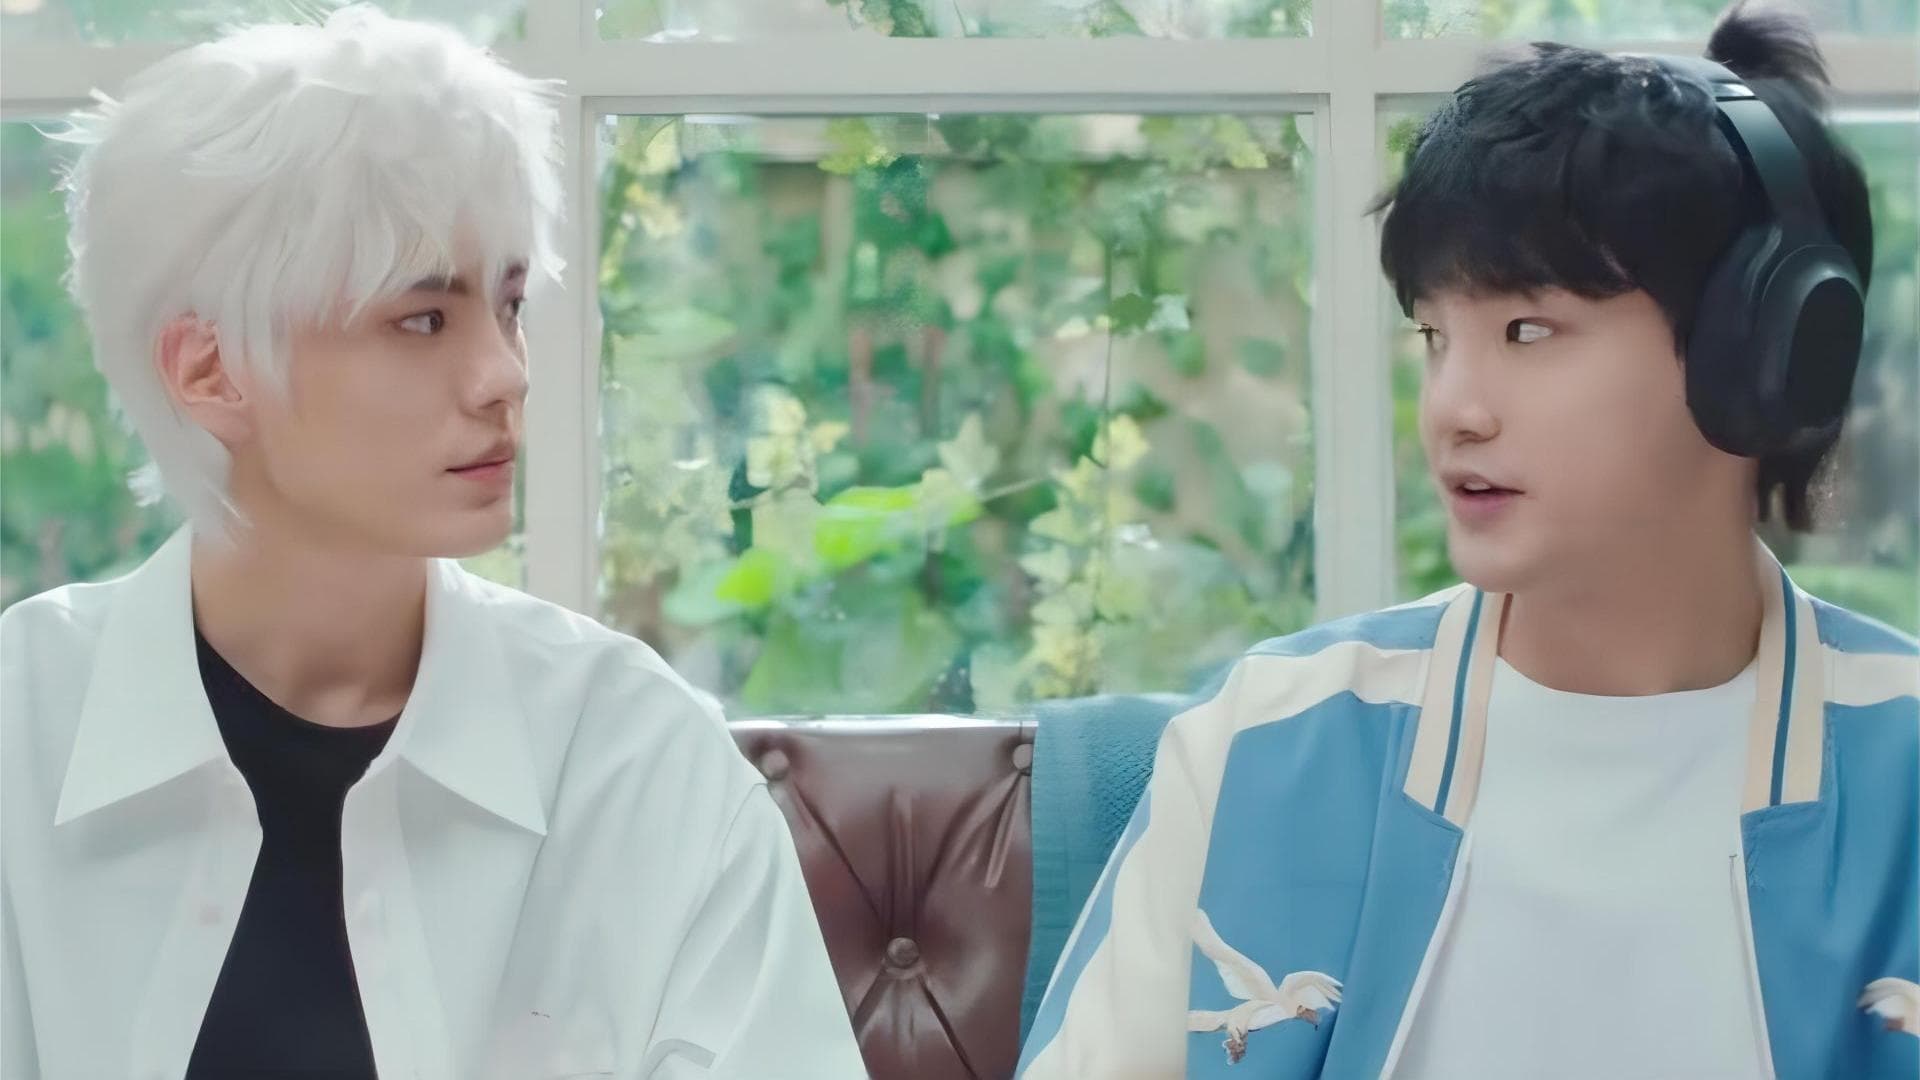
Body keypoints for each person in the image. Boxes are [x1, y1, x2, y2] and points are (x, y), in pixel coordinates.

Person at [1016, 3, 1918, 1077]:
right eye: (1435, 336)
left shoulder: (1904, 774)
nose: (1452, 408)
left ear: (1764, 353)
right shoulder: (1267, 744)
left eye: (1527, 330)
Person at [0, 8, 866, 1078]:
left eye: (509, 304)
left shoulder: (639, 761)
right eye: (422, 319)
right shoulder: (22, 728)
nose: (507, 373)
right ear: (210, 371)